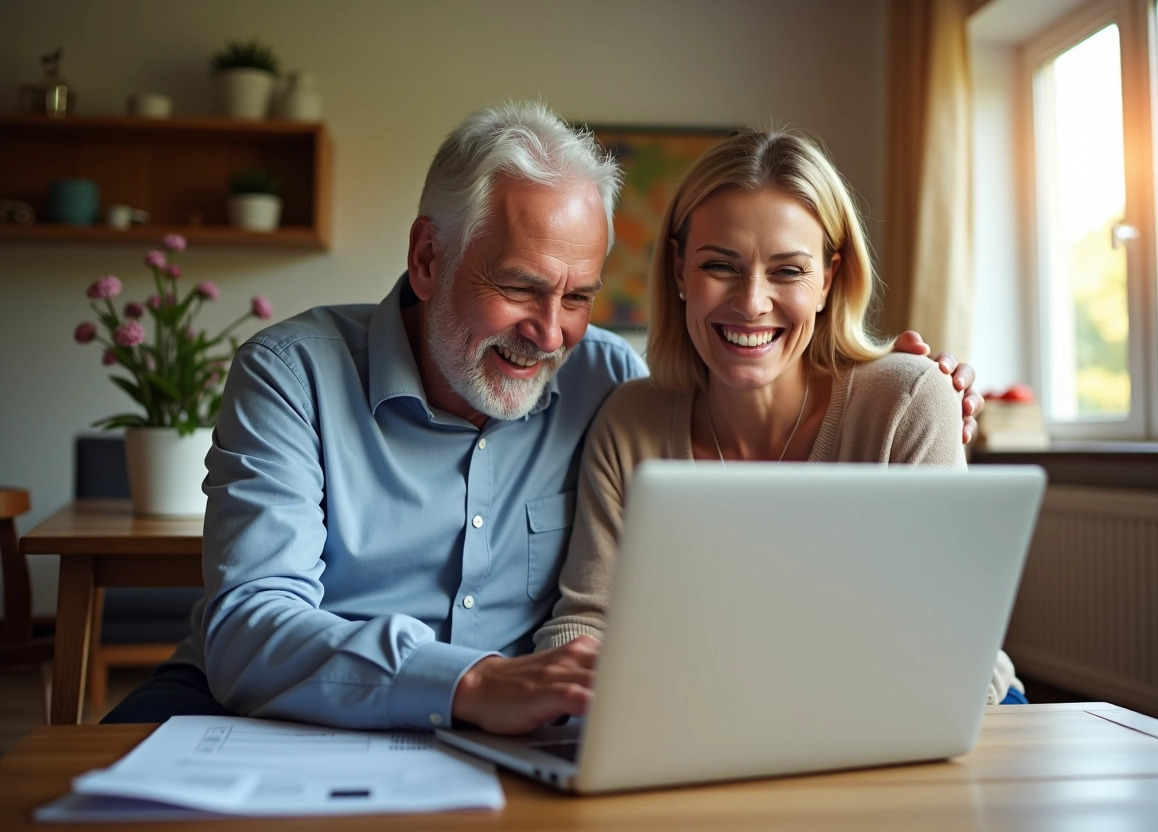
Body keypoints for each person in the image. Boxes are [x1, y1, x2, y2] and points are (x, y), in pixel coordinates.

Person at [104, 102, 987, 733]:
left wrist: (914, 383)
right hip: (279, 710)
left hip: (522, 736)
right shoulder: (291, 374)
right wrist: (473, 682)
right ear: (426, 257)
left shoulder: (609, 379)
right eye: (521, 287)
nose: (550, 331)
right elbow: (250, 625)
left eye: (579, 297)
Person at [533, 127, 1024, 706]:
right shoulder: (630, 423)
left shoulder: (908, 404)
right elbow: (584, 624)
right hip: (709, 724)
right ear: (680, 271)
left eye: (788, 271)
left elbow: (955, 650)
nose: (751, 301)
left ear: (828, 280)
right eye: (720, 265)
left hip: (912, 719)